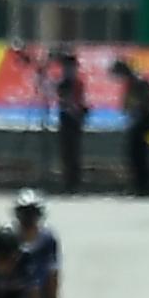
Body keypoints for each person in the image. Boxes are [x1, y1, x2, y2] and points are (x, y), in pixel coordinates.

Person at [116, 57, 149, 197]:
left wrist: (137, 108)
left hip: (144, 120)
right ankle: (138, 184)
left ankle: (144, 185)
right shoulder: (130, 83)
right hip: (136, 121)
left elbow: (148, 101)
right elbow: (127, 104)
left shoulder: (139, 82)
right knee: (133, 155)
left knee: (141, 155)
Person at [51, 46, 89, 194]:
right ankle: (68, 180)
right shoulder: (63, 83)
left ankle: (74, 181)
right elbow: (61, 98)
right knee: (66, 151)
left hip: (75, 118)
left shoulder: (77, 83)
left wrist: (77, 110)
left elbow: (79, 100)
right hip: (66, 117)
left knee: (74, 151)